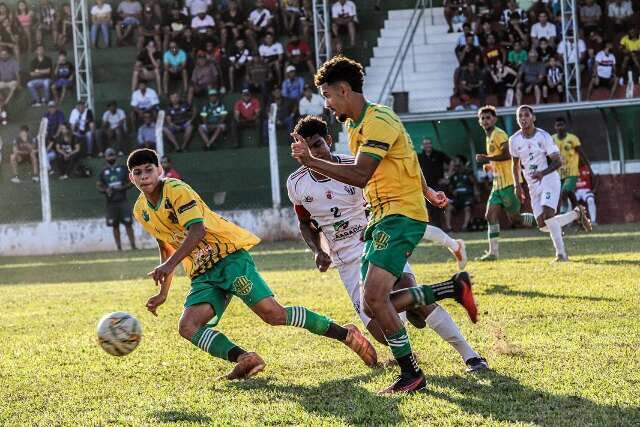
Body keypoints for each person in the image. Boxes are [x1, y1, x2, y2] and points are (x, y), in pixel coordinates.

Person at [291, 55, 479, 394]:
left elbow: (362, 174)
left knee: (379, 300)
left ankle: (415, 372)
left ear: (344, 90)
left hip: (398, 216)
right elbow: (403, 154)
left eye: (329, 97)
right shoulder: (354, 127)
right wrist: (427, 189)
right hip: (379, 221)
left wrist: (312, 160)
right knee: (377, 307)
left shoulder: (378, 120)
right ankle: (451, 290)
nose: (328, 105)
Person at [127, 148, 377, 380]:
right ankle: (246, 358)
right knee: (188, 327)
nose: (144, 176)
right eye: (137, 172)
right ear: (131, 178)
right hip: (203, 272)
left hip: (229, 258)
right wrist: (163, 291)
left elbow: (198, 231)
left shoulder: (176, 190)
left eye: (149, 169)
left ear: (160, 170)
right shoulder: (141, 210)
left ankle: (345, 334)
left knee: (274, 315)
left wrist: (169, 266)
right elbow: (166, 244)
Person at [509, 105, 591, 262]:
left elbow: (558, 161)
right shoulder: (514, 140)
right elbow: (515, 165)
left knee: (548, 214)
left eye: (526, 115)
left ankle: (561, 255)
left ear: (533, 118)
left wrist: (542, 173)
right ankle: (577, 214)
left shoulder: (543, 136)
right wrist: (517, 185)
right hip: (532, 184)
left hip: (548, 178)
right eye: (520, 116)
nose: (523, 118)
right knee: (543, 225)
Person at [475, 106, 535, 261]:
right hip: (498, 185)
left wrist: (487, 158)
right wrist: (490, 165)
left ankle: (545, 221)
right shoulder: (489, 136)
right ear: (479, 121)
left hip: (509, 183)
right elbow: (498, 157)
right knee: (490, 216)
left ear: (494, 119)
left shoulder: (499, 134)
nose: (485, 120)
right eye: (482, 118)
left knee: (516, 219)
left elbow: (508, 154)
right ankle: (493, 253)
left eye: (488, 117)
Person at [97, 148, 137, 251]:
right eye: (108, 156)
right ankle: (119, 248)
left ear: (116, 156)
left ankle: (133, 246)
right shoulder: (103, 172)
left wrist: (122, 188)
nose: (111, 158)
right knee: (115, 225)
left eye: (112, 155)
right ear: (105, 157)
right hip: (111, 202)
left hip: (123, 200)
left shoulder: (123, 169)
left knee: (128, 223)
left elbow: (131, 182)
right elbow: (99, 186)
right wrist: (106, 190)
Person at [552, 117, 592, 213]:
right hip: (558, 173)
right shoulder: (551, 139)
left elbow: (581, 154)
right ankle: (580, 216)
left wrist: (589, 168)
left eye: (562, 125)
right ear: (555, 127)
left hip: (572, 173)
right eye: (558, 125)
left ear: (565, 126)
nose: (560, 127)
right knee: (571, 197)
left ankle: (563, 214)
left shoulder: (572, 139)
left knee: (564, 192)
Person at [418, 138, 450, 228]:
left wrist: (448, 177)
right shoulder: (420, 156)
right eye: (425, 144)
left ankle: (444, 227)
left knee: (440, 204)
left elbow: (452, 162)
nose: (427, 145)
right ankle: (435, 227)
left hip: (438, 185)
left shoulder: (439, 154)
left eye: (429, 143)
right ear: (423, 146)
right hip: (426, 186)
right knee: (429, 206)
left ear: (431, 144)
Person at [443, 156, 476, 232]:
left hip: (467, 196)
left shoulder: (468, 172)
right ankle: (449, 228)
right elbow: (449, 185)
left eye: (457, 161)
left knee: (467, 207)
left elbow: (474, 183)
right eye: (454, 163)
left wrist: (476, 193)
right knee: (448, 207)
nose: (455, 163)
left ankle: (465, 227)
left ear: (461, 163)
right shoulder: (454, 175)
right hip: (458, 197)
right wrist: (452, 190)